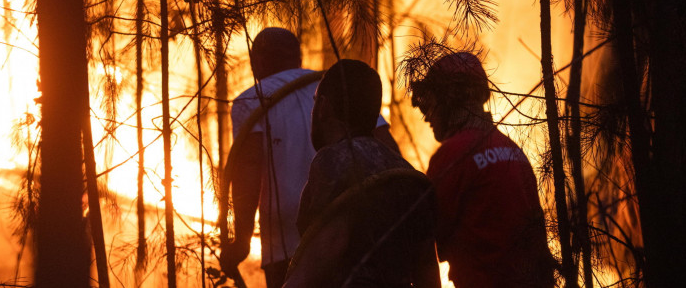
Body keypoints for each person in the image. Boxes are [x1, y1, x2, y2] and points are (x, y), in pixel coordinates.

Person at [220, 29, 395, 288]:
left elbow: (248, 167)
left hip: (288, 241)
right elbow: (387, 150)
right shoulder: (338, 88)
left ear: (256, 60)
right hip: (359, 232)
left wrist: (242, 241)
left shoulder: (251, 99)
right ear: (298, 57)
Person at [286, 59, 440, 288]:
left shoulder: (333, 161)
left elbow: (329, 245)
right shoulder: (405, 171)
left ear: (324, 107)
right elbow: (427, 265)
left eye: (315, 101)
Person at [410, 51, 555, 288]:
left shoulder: (452, 156)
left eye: (431, 101)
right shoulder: (513, 151)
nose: (427, 116)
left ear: (449, 99)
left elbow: (423, 238)